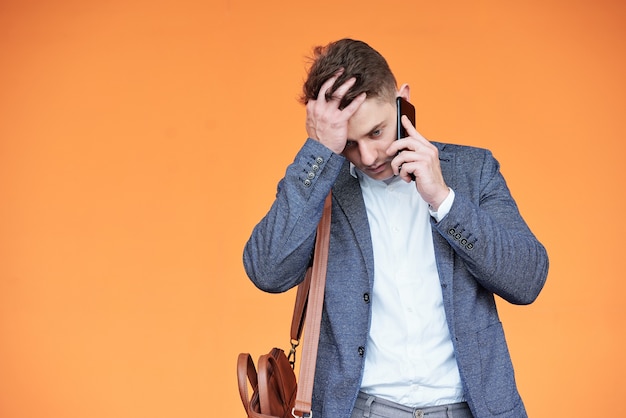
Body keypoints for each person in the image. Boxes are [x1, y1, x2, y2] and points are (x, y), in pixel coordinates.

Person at [243, 38, 548, 418]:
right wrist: (319, 152)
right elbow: (267, 271)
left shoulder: (472, 171)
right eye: (349, 143)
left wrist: (443, 200)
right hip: (358, 410)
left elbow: (527, 280)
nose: (368, 157)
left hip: (473, 409)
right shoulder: (322, 185)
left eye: (376, 132)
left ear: (402, 100)